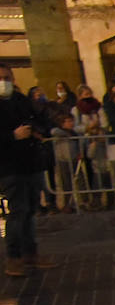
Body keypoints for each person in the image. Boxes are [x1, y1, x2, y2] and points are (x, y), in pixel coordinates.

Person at [0, 63, 57, 277]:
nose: (4, 82)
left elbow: (40, 119)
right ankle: (13, 257)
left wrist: (37, 130)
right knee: (18, 211)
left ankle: (30, 253)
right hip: (9, 166)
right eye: (1, 78)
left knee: (31, 210)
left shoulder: (22, 102)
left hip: (31, 162)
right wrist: (13, 136)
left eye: (7, 77)